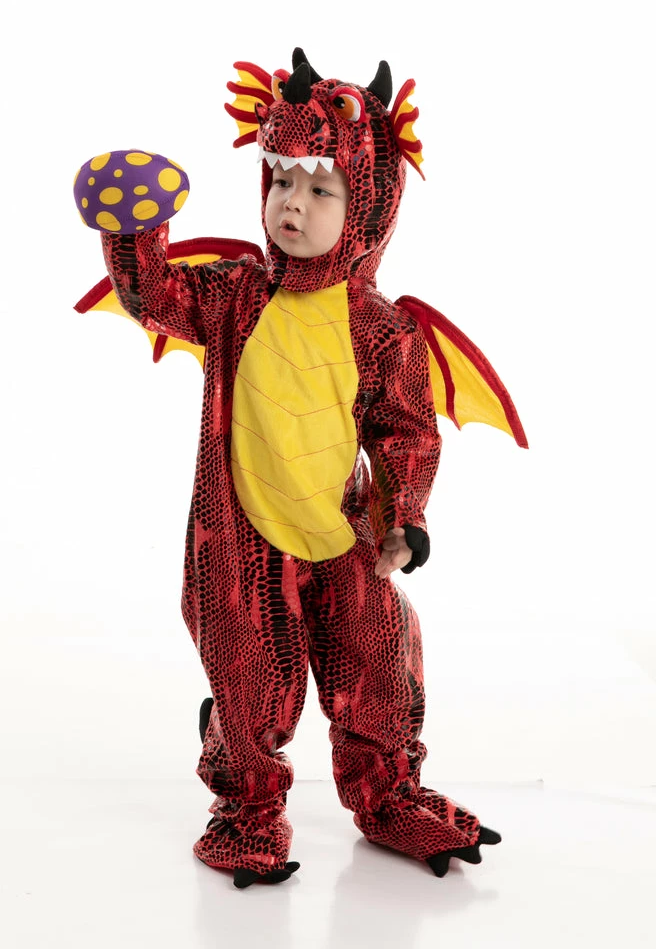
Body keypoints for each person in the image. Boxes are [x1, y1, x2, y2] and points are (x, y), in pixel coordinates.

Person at [75, 48, 523, 888]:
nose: (291, 203)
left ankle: (391, 796)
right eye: (280, 179)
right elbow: (158, 298)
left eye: (321, 190)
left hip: (344, 534)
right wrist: (132, 236)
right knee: (251, 680)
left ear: (369, 205)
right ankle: (246, 808)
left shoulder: (382, 329)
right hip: (241, 540)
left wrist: (406, 516)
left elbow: (405, 431)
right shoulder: (233, 296)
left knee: (378, 665)